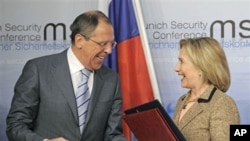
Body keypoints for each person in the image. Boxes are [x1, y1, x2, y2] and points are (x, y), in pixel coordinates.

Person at [6, 10, 127, 141]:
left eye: (112, 44)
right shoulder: (38, 70)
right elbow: (16, 126)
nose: (109, 50)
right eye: (102, 44)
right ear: (79, 40)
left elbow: (113, 135)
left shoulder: (111, 80)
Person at [173, 37, 240, 141]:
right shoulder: (182, 101)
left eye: (181, 62)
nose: (176, 68)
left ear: (201, 66)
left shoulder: (223, 103)